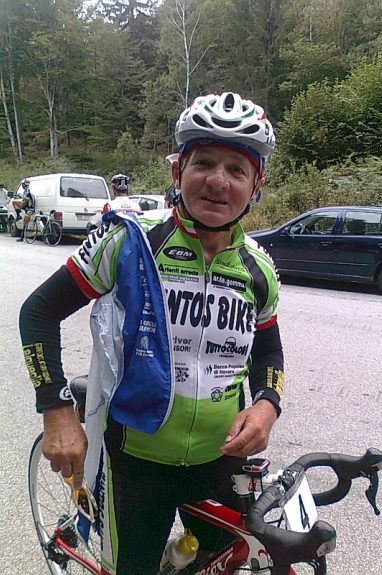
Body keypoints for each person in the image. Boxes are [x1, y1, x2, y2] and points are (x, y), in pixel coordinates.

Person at [19, 92, 284, 574]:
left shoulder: (259, 268)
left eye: (236, 169)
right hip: (136, 465)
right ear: (178, 171)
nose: (218, 181)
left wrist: (267, 403)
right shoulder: (130, 240)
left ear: (256, 184)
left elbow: (268, 351)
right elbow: (38, 312)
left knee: (219, 562)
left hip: (221, 460)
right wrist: (56, 412)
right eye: (204, 162)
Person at [13, 178, 35, 242]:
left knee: (25, 222)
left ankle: (22, 237)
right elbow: (23, 201)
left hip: (30, 209)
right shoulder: (25, 192)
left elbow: (25, 202)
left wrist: (20, 207)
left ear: (24, 185)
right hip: (27, 208)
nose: (22, 186)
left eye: (22, 185)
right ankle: (18, 215)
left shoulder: (28, 193)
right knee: (14, 202)